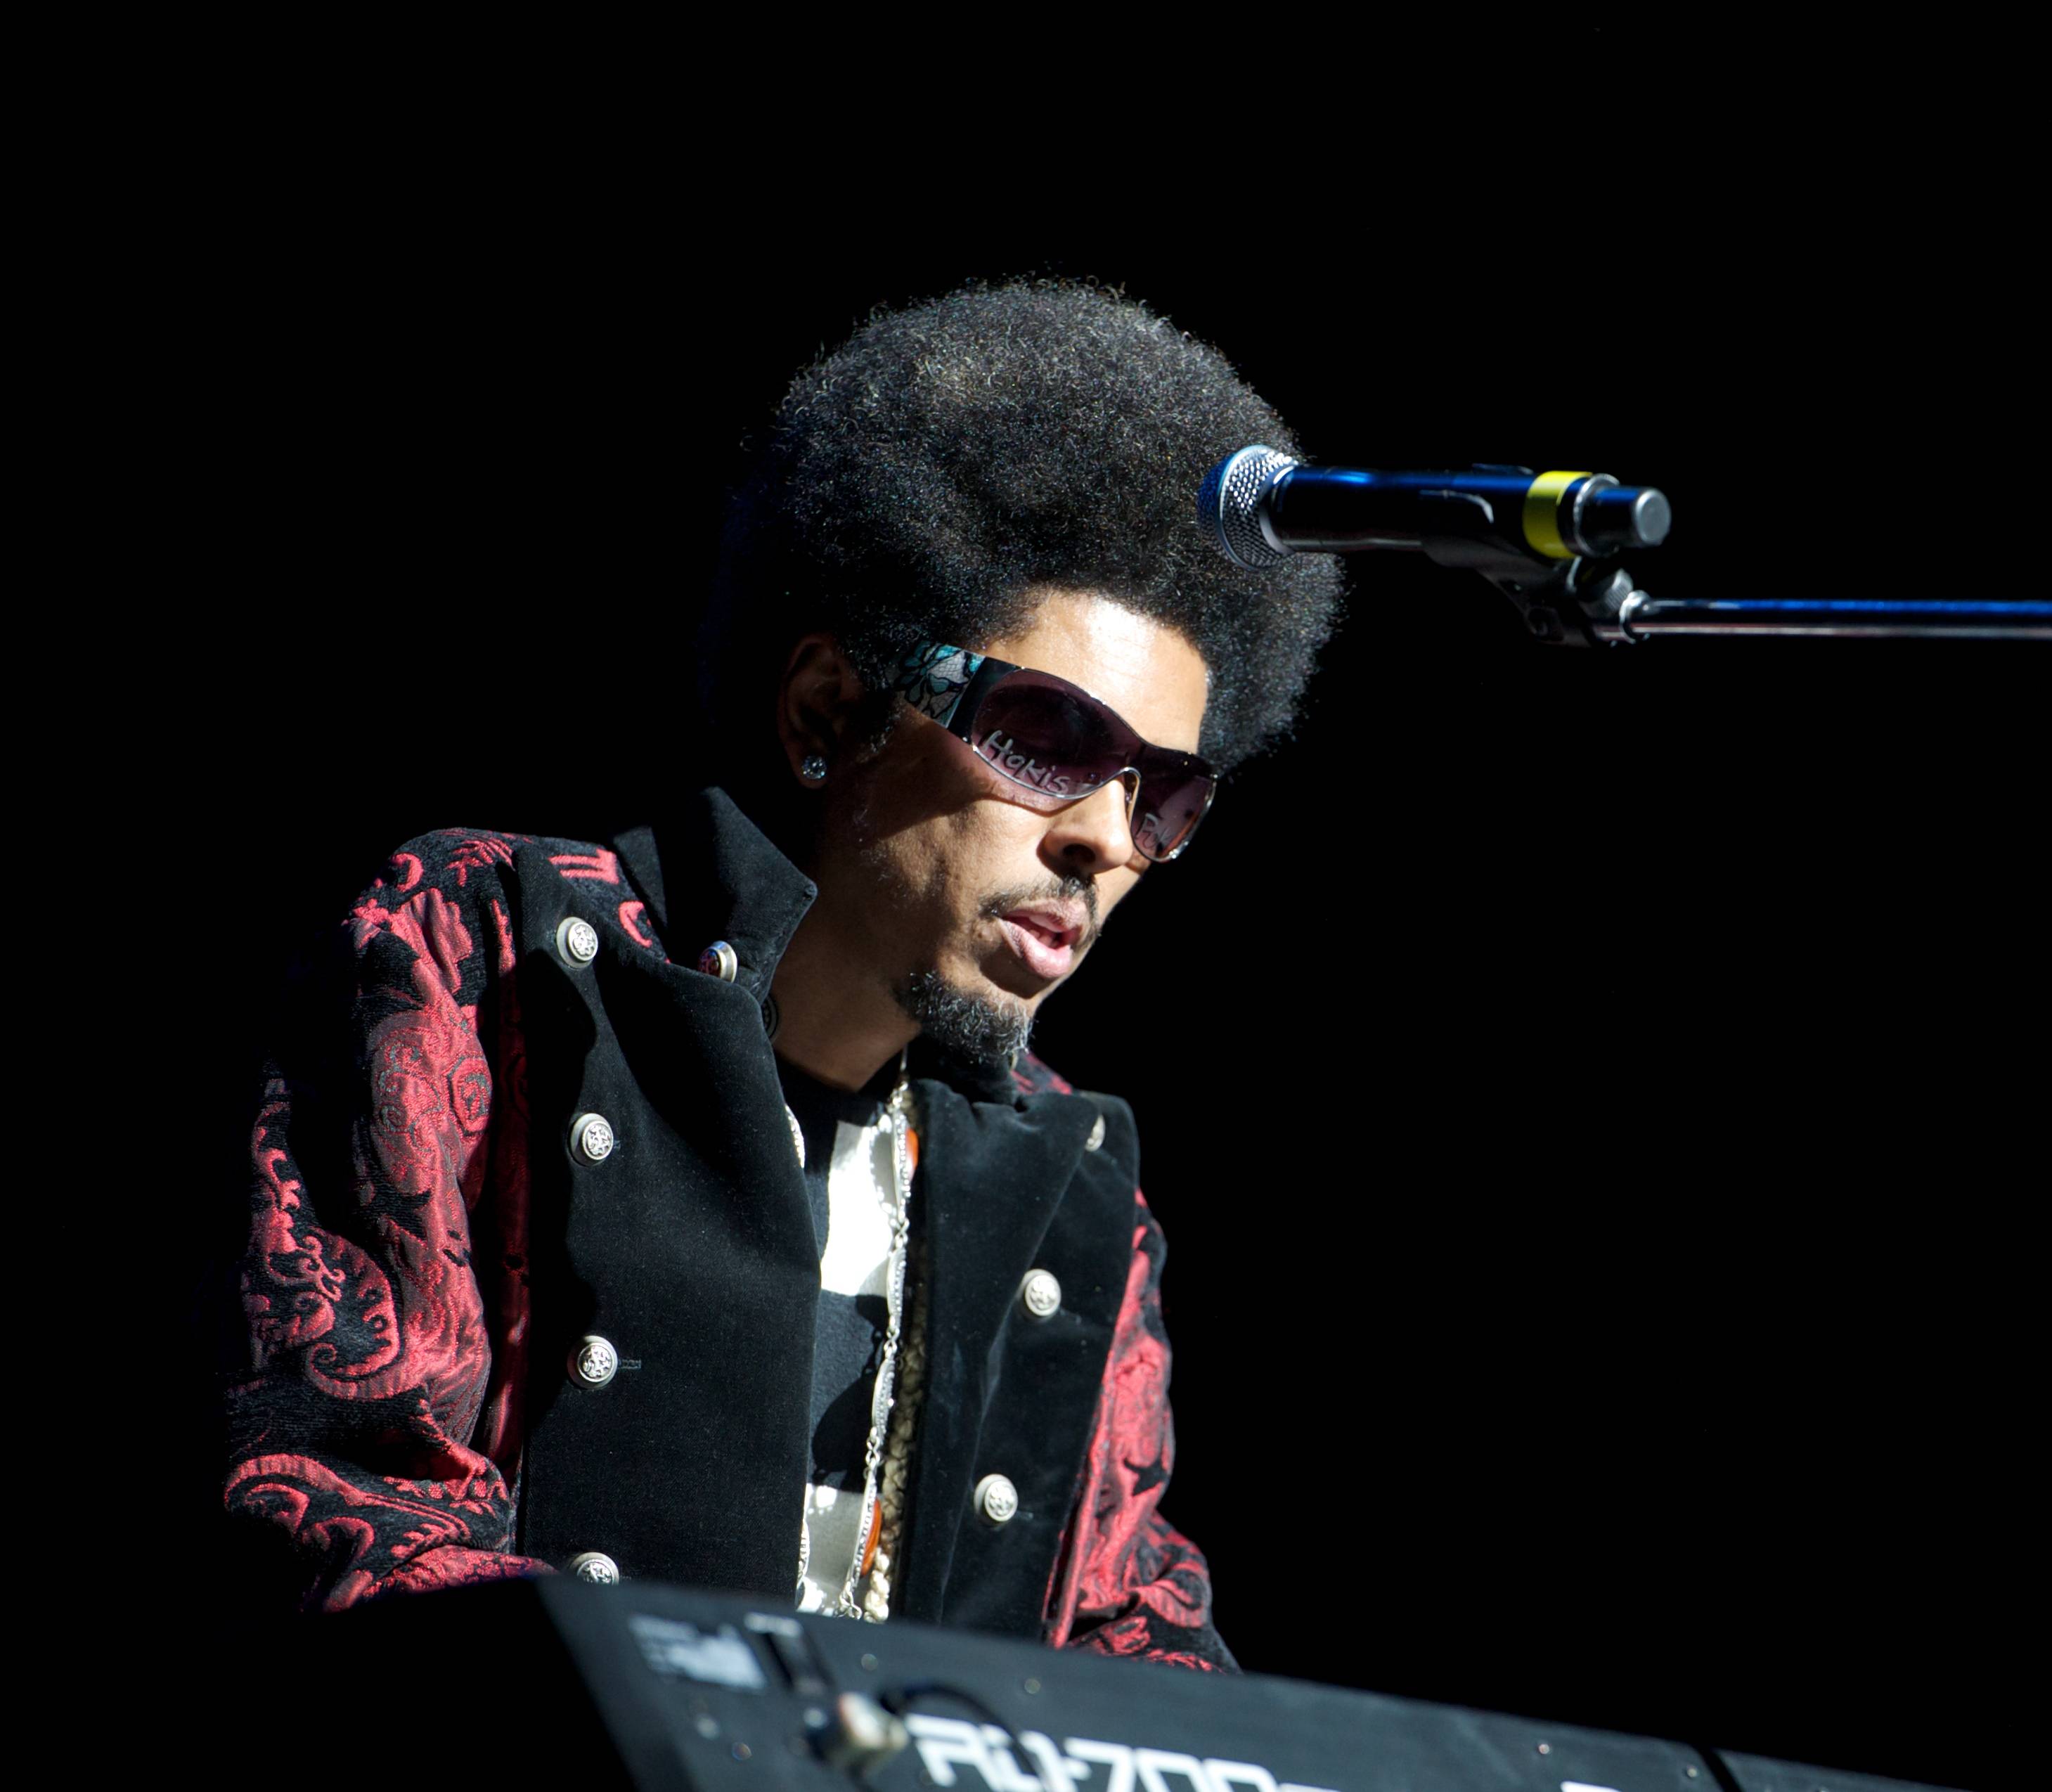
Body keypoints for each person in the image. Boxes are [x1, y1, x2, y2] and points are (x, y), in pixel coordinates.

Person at [211, 282, 1344, 1672]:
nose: (1106, 839)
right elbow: (350, 1501)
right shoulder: (493, 951)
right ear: (829, 711)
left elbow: (1137, 1645)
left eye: (1164, 795)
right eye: (1049, 736)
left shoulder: (1072, 1182)